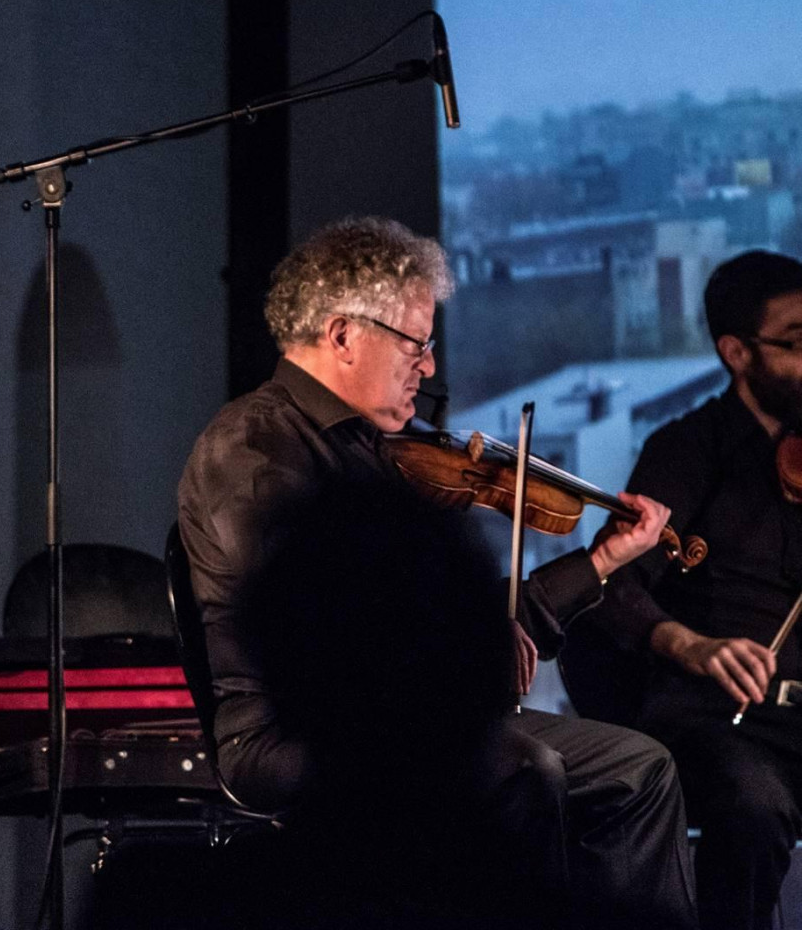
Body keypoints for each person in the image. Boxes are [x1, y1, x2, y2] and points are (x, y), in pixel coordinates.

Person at [177, 216, 697, 928]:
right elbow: (315, 631)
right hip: (293, 736)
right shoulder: (253, 445)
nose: (427, 366)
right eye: (415, 344)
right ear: (342, 335)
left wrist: (602, 559)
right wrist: (455, 647)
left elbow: (478, 635)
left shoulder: (377, 452)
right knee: (521, 770)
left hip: (405, 720)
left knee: (640, 770)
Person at [583, 250, 802, 930]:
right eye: (797, 342)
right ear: (737, 353)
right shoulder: (686, 450)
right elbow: (614, 583)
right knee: (755, 807)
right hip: (715, 717)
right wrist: (693, 645)